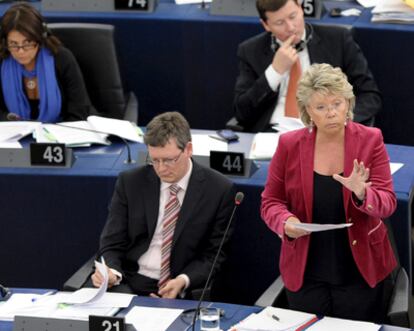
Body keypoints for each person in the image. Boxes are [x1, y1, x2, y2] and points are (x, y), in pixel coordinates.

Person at [261, 63, 397, 323]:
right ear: (308, 111)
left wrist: (361, 194)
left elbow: (388, 203)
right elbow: (271, 201)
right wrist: (285, 223)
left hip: (360, 270)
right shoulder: (289, 145)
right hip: (306, 270)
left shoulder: (371, 140)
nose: (332, 113)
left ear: (348, 103)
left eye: (337, 103)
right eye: (321, 107)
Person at [91, 111, 235, 299]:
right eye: (154, 160)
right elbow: (111, 242)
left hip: (179, 286)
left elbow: (214, 255)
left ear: (188, 149)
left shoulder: (218, 190)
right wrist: (111, 272)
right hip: (129, 280)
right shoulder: (131, 182)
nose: (160, 168)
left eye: (168, 160)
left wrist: (183, 280)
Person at [233, 0, 381, 132]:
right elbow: (242, 113)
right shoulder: (250, 50)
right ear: (266, 25)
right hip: (272, 134)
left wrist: (341, 121)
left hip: (326, 131)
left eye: (293, 16)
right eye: (279, 23)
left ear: (301, 8)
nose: (290, 27)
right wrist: (274, 72)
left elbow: (370, 96)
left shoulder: (338, 39)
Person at [0, 3, 92, 122]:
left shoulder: (62, 59)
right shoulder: (2, 60)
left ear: (40, 38)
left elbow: (79, 111)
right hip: (14, 136)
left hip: (61, 134)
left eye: (27, 43)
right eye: (13, 44)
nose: (21, 51)